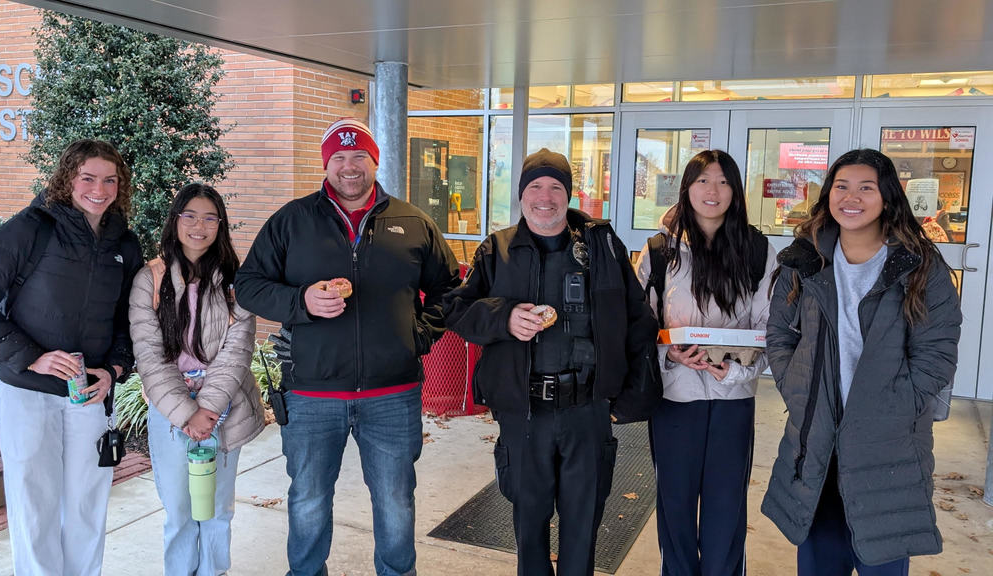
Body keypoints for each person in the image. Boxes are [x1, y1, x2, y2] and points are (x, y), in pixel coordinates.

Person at [234, 117, 460, 576]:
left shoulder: (413, 222)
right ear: (326, 164)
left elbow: (451, 289)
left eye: (359, 156)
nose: (349, 166)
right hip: (312, 393)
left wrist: (418, 334)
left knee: (395, 501)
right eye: (338, 157)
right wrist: (301, 301)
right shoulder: (292, 221)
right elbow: (248, 285)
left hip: (392, 394)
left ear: (374, 161)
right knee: (309, 500)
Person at [443, 148, 657, 576]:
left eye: (556, 187)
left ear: (569, 194)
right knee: (529, 527)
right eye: (535, 187)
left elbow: (638, 321)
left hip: (588, 411)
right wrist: (504, 317)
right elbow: (456, 310)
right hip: (525, 413)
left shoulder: (602, 247)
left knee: (583, 526)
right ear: (521, 195)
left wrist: (630, 398)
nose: (545, 197)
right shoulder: (497, 249)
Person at [762, 149, 962, 575]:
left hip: (887, 445)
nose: (851, 198)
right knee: (819, 559)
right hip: (817, 439)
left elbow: (937, 353)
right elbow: (780, 333)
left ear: (887, 198)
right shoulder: (806, 259)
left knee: (882, 557)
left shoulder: (920, 265)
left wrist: (896, 407)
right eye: (842, 187)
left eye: (866, 188)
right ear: (828, 195)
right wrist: (797, 389)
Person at [0, 139, 142, 575]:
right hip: (27, 391)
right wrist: (31, 358)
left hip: (88, 394)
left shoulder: (124, 243)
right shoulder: (29, 229)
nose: (99, 190)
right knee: (34, 502)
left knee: (88, 501)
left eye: (110, 180)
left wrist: (115, 368)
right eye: (88, 178)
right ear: (67, 179)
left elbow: (129, 319)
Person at [635, 149, 775, 576]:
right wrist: (669, 354)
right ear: (687, 188)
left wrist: (738, 371)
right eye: (703, 180)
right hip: (674, 398)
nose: (713, 190)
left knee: (726, 506)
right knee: (674, 505)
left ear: (736, 190)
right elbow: (639, 324)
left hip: (734, 398)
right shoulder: (659, 251)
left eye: (723, 181)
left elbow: (771, 327)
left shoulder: (757, 250)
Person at [129, 183, 265, 576]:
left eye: (209, 218)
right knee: (179, 510)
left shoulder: (235, 281)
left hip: (223, 406)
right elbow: (149, 355)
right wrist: (186, 412)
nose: (198, 226)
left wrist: (208, 407)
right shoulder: (150, 280)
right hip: (170, 408)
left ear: (220, 225)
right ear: (175, 221)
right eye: (189, 216)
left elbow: (237, 349)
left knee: (217, 508)